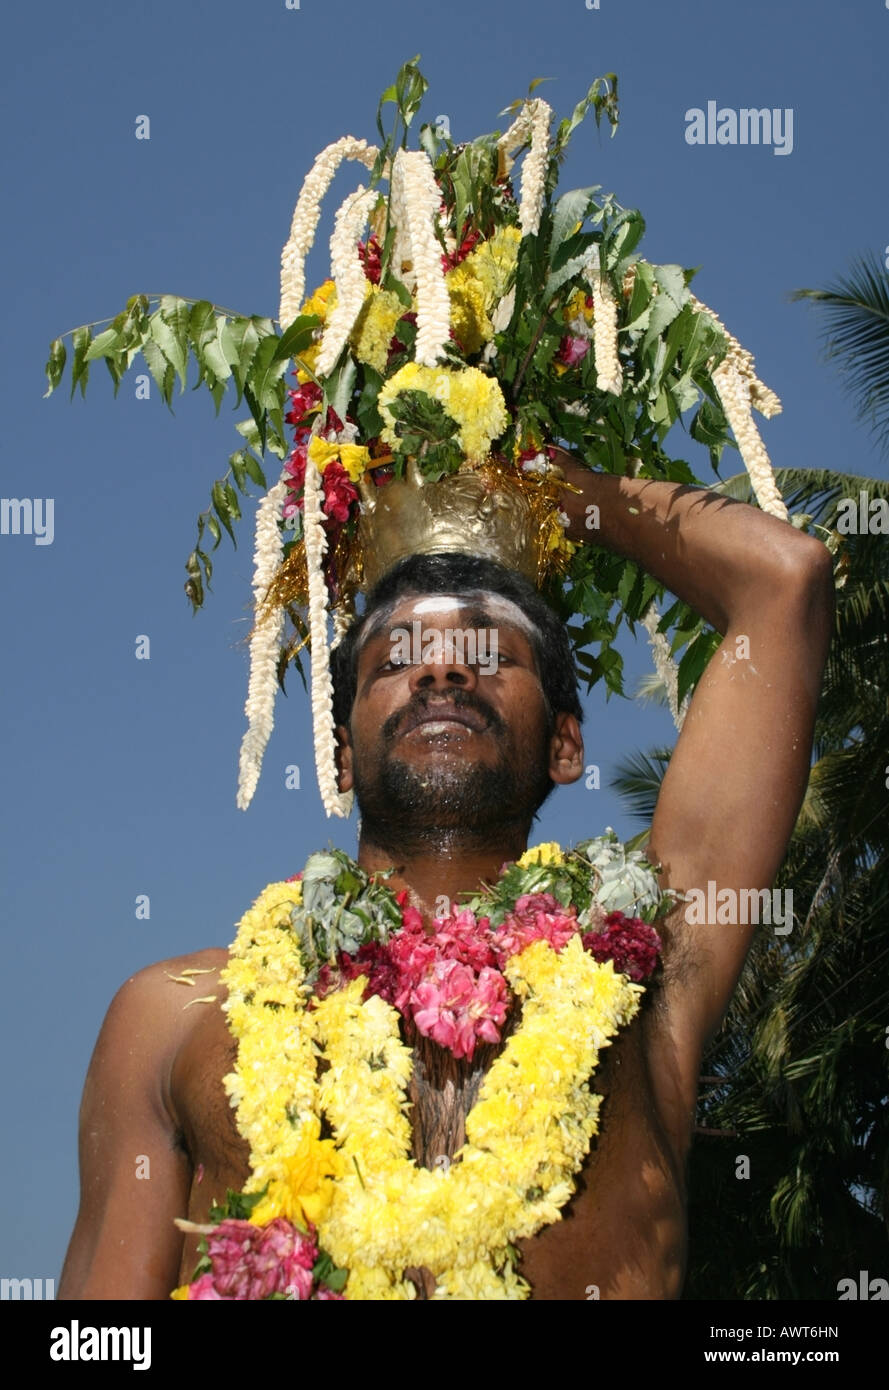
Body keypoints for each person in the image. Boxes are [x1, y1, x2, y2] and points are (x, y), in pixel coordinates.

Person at [57, 447, 833, 1300]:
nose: (439, 667)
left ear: (565, 744)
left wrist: (547, 481)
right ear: (341, 753)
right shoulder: (169, 1015)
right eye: (395, 660)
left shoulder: (646, 974)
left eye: (486, 653)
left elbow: (784, 579)